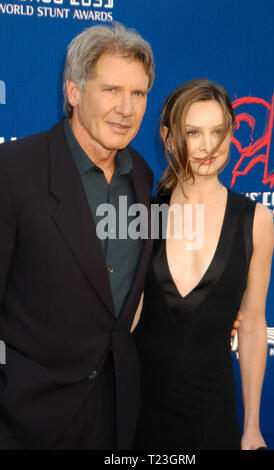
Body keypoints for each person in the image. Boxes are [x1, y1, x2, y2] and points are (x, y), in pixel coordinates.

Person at [0, 23, 155, 450]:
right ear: (74, 92)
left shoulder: (142, 176)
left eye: (138, 94)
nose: (126, 108)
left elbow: (130, 293)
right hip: (28, 418)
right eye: (111, 90)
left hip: (117, 414)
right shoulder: (13, 170)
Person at [133, 79, 274, 450]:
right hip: (136, 413)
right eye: (193, 132)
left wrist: (253, 426)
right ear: (167, 137)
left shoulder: (256, 220)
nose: (208, 146)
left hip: (213, 413)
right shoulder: (140, 215)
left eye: (218, 131)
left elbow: (254, 324)